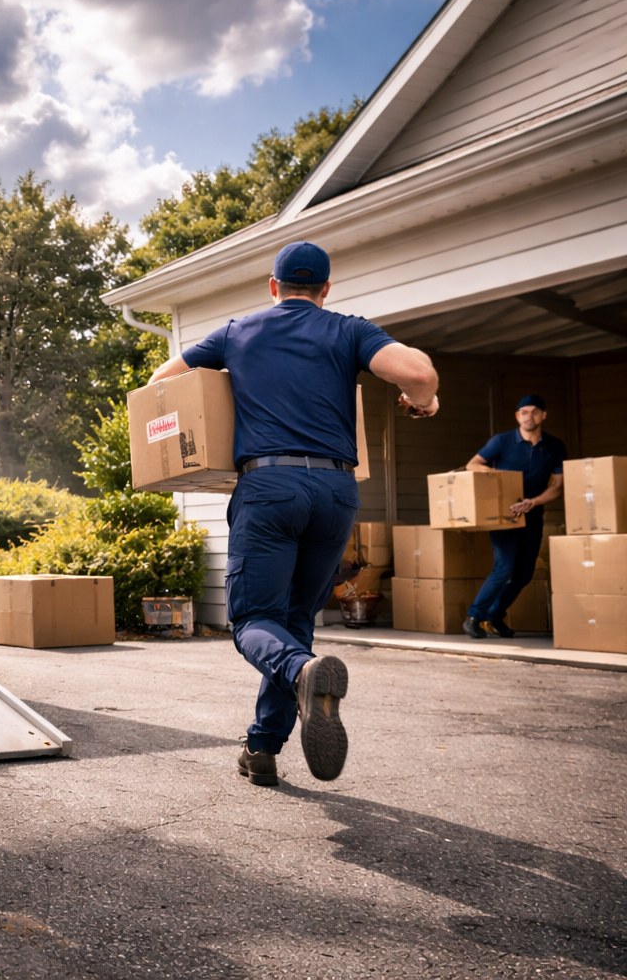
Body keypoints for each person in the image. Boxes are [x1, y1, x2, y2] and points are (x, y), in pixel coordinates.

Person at [145, 242, 440, 787]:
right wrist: (422, 402)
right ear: (326, 290)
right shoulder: (349, 330)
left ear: (274, 287)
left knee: (254, 622)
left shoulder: (238, 332)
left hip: (270, 486)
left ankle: (302, 672)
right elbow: (419, 373)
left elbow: (162, 383)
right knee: (296, 622)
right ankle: (261, 748)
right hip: (335, 490)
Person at [460, 397, 565, 639]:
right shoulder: (502, 441)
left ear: (543, 415)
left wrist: (533, 502)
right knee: (504, 567)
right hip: (504, 514)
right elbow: (473, 465)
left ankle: (494, 616)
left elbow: (559, 486)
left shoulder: (555, 446)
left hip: (533, 514)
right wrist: (501, 477)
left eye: (535, 412)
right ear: (518, 416)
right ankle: (474, 616)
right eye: (524, 412)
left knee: (524, 574)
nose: (529, 416)